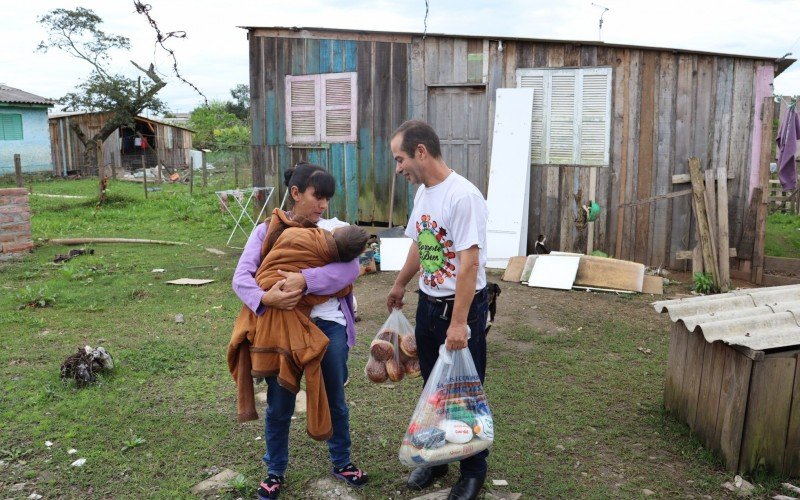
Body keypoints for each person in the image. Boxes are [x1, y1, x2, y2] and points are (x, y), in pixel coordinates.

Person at [232, 162, 368, 499]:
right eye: (317, 196)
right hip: (281, 326)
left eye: (327, 198)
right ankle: (274, 470)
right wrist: (267, 297)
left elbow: (352, 269)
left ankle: (342, 461)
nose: (323, 205)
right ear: (296, 193)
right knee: (280, 402)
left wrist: (304, 280)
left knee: (335, 395)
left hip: (329, 325)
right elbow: (241, 278)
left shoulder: (335, 229)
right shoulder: (267, 230)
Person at [386, 120, 490, 500]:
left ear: (421, 152)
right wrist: (400, 283)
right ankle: (438, 460)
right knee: (433, 388)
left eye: (400, 159)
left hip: (460, 311)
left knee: (463, 391)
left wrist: (460, 323)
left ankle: (473, 471)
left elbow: (469, 264)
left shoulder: (463, 197)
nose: (398, 169)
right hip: (428, 306)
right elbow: (420, 244)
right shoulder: (425, 194)